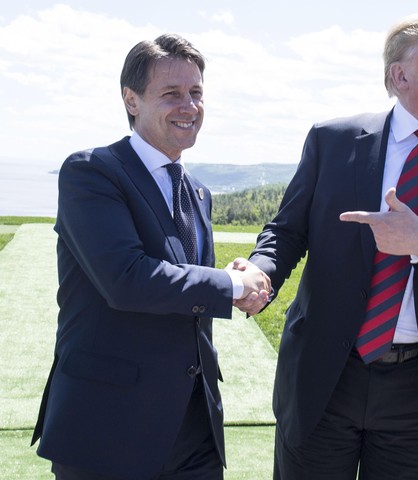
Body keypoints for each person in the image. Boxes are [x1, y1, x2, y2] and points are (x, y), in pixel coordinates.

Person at [234, 12, 418, 479]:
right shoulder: (333, 141)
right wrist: (261, 271)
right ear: (400, 75)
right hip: (326, 376)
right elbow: (288, 229)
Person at [31, 33, 270, 480]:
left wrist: (231, 279)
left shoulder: (197, 191)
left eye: (196, 93)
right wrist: (232, 285)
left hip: (194, 430)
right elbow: (127, 278)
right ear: (132, 99)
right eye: (172, 94)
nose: (189, 106)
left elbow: (187, 284)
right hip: (107, 428)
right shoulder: (92, 172)